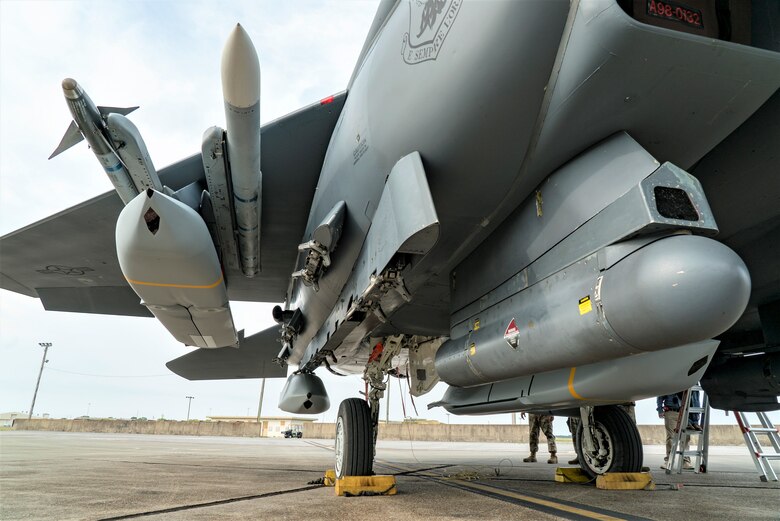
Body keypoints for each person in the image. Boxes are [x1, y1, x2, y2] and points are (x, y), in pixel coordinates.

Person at [657, 393, 692, 470]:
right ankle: (668, 461)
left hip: (684, 412)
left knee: (686, 437)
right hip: (671, 411)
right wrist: (660, 410)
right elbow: (660, 396)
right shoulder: (669, 383)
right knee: (671, 437)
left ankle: (685, 461)